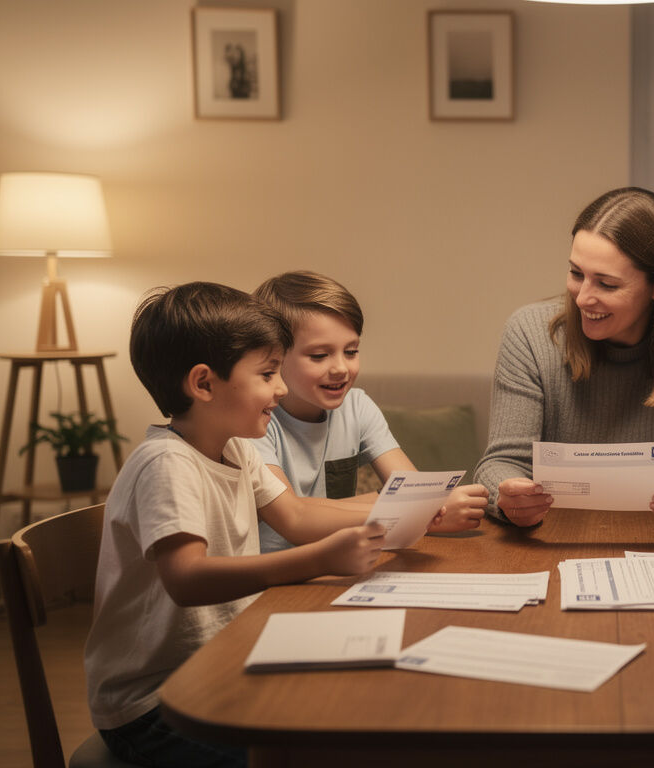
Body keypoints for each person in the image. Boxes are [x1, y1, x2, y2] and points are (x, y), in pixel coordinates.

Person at [84, 282, 386, 768]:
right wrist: (321, 559)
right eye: (268, 374)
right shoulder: (166, 463)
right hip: (156, 705)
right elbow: (186, 579)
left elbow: (293, 517)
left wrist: (376, 525)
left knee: (353, 713)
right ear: (204, 384)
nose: (281, 388)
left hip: (222, 666)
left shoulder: (237, 448)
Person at [475, 186, 654, 533]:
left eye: (606, 284)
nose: (583, 298)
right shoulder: (529, 332)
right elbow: (500, 463)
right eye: (577, 274)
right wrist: (508, 495)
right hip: (552, 536)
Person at [251, 271, 488, 553]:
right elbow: (294, 516)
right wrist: (417, 509)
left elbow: (412, 491)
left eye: (351, 351)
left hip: (342, 560)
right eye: (319, 355)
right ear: (274, 357)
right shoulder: (254, 420)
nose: (341, 368)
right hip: (277, 576)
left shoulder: (357, 405)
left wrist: (417, 505)